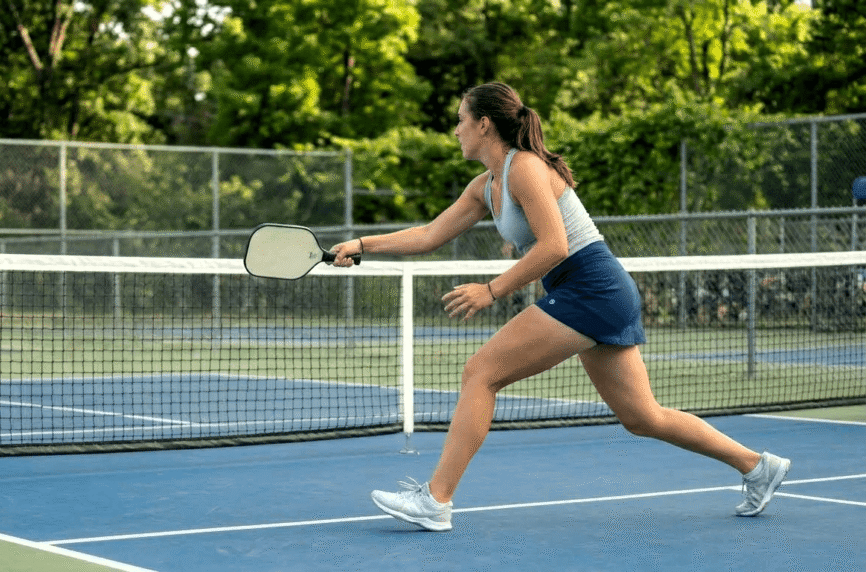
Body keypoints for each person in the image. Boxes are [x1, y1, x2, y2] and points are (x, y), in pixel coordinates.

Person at [329, 82, 790, 532]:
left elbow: (554, 245)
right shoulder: (485, 185)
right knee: (642, 418)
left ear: (484, 124)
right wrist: (362, 243)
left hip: (592, 287)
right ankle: (757, 466)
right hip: (593, 291)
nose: (455, 130)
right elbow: (429, 235)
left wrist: (491, 290)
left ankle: (436, 500)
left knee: (480, 372)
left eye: (460, 120)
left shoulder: (525, 168)